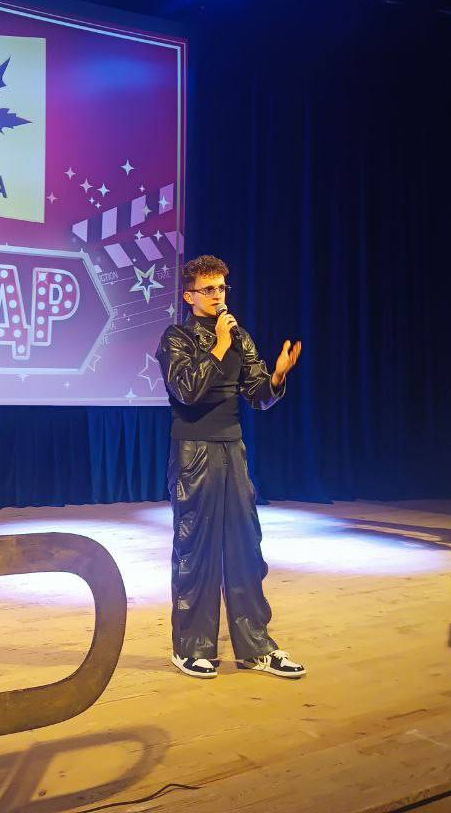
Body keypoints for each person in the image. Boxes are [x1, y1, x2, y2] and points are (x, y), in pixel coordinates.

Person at [155, 254, 305, 680]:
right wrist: (219, 345)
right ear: (189, 296)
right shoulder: (176, 338)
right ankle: (191, 647)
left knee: (245, 547)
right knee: (196, 550)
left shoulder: (240, 336)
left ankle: (256, 646)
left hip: (232, 450)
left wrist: (276, 377)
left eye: (222, 287)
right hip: (194, 453)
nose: (218, 295)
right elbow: (187, 391)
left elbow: (257, 395)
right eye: (209, 289)